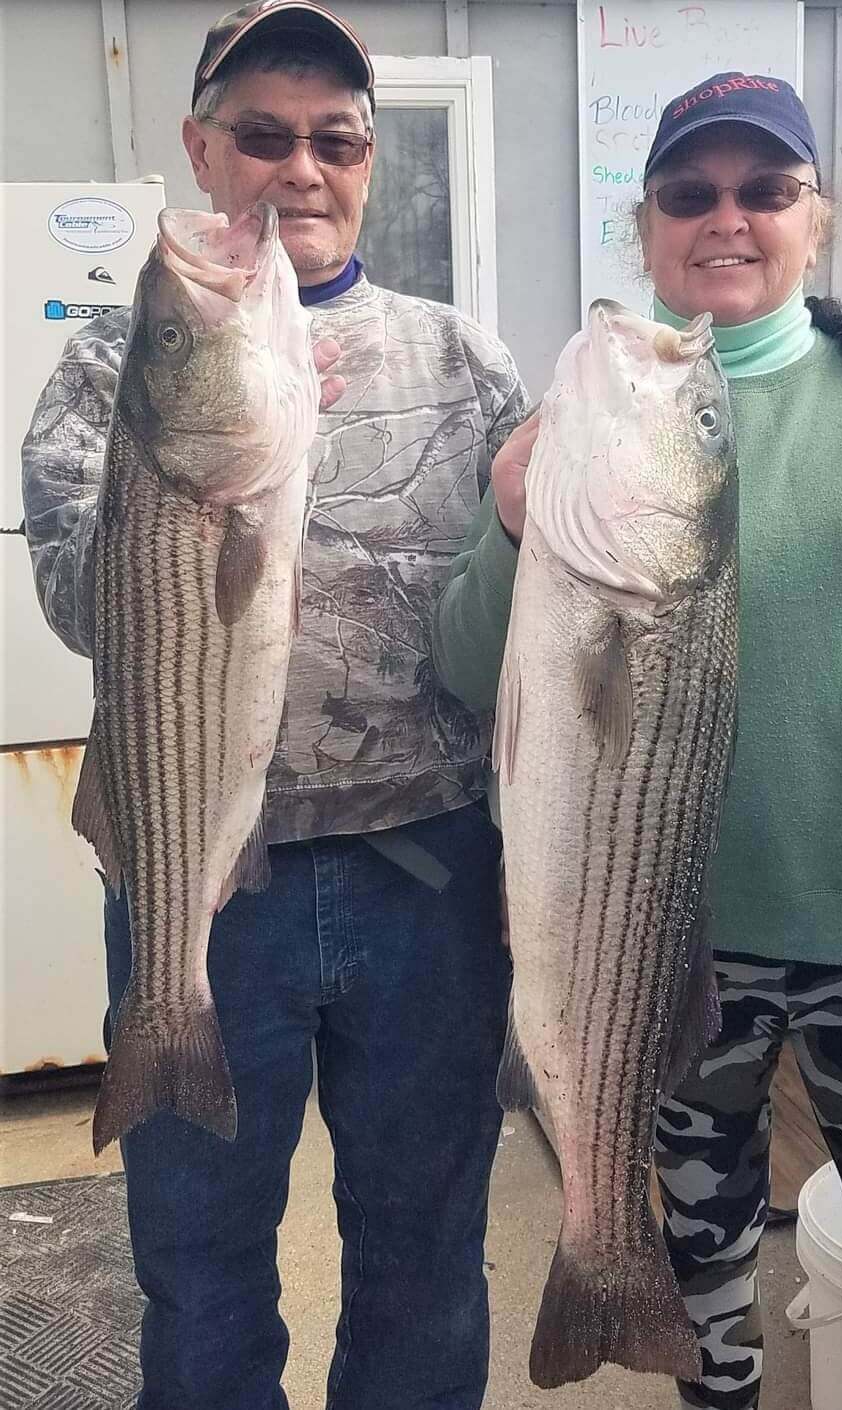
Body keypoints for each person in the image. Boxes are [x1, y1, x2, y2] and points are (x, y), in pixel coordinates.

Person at [433, 72, 842, 1410]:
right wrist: (509, 522)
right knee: (701, 1299)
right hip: (664, 946)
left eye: (764, 189)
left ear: (816, 216)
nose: (726, 217)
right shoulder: (581, 420)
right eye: (690, 193)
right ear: (651, 223)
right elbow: (470, 668)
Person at [21, 4, 529, 1407]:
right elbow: (75, 599)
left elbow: (527, 629)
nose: (300, 169)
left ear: (367, 161)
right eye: (261, 135)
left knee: (426, 1253)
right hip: (199, 881)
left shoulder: (466, 360)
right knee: (200, 1258)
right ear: (201, 147)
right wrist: (203, 454)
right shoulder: (108, 364)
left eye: (337, 140)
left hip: (428, 871)